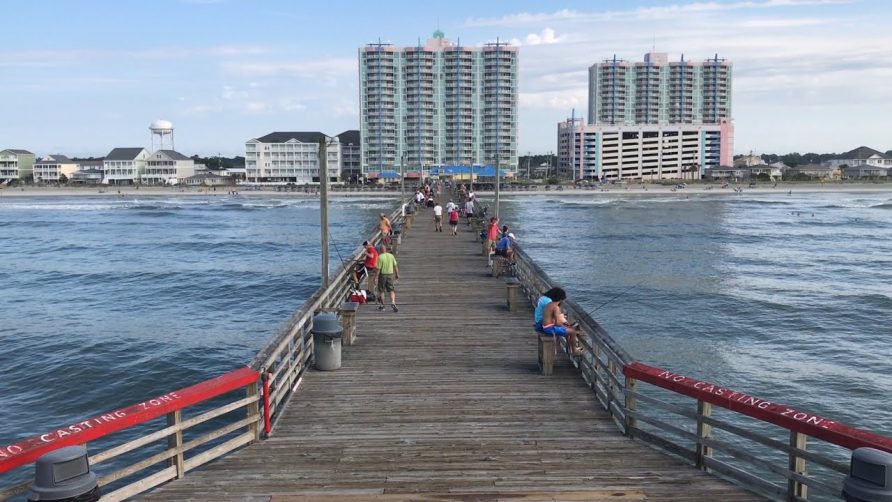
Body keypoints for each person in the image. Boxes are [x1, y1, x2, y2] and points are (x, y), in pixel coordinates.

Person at [535, 287, 582, 356]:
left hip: (545, 326)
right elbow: (557, 323)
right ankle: (574, 350)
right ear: (561, 299)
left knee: (568, 330)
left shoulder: (548, 304)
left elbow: (551, 319)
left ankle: (570, 350)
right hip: (550, 329)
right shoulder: (556, 307)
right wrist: (564, 325)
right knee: (572, 332)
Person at [376, 243, 400, 312]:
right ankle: (393, 302)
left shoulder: (380, 257)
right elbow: (395, 266)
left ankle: (383, 306)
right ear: (385, 249)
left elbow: (378, 269)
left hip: (382, 275)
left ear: (380, 250)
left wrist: (375, 277)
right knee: (391, 290)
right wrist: (397, 274)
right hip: (390, 275)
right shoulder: (391, 256)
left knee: (382, 291)